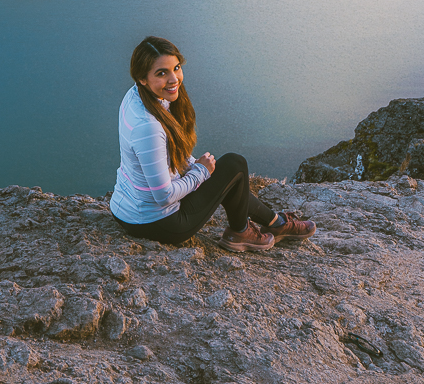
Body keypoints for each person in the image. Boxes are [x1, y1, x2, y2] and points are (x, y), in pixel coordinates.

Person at [109, 35, 316, 251]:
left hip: (126, 210)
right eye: (162, 73)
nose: (174, 79)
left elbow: (161, 156)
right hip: (159, 223)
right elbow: (164, 196)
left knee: (230, 178)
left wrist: (195, 167)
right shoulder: (148, 127)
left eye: (176, 68)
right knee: (235, 165)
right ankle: (241, 232)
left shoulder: (135, 97)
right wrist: (201, 172)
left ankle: (277, 223)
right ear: (142, 78)